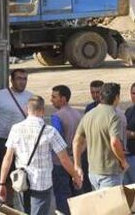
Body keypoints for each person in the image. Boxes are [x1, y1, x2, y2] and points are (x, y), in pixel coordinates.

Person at [0, 95, 82, 215]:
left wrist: (2, 182)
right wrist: (75, 175)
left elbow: (8, 157)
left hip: (21, 181)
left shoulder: (16, 129)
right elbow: (64, 159)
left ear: (27, 109)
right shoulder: (50, 131)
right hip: (42, 183)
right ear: (43, 111)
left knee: (25, 212)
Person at [0, 68, 33, 205]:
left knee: (25, 175)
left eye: (25, 79)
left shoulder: (31, 97)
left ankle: (26, 206)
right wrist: (3, 127)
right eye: (19, 78)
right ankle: (8, 206)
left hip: (24, 143)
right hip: (3, 141)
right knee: (5, 176)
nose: (22, 82)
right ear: (12, 80)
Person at [73, 83, 128, 190]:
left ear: (101, 96)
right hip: (109, 172)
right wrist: (123, 160)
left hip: (93, 171)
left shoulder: (89, 114)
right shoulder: (113, 116)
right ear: (117, 97)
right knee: (111, 206)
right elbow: (114, 142)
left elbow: (76, 141)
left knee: (100, 204)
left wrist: (77, 165)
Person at [50, 85, 82, 215]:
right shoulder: (78, 114)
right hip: (76, 160)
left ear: (63, 99)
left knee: (62, 195)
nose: (51, 100)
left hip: (60, 162)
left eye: (54, 97)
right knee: (76, 194)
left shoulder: (57, 116)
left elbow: (56, 141)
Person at [82, 80, 104, 193]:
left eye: (97, 92)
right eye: (92, 92)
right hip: (90, 149)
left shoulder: (109, 108)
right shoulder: (89, 108)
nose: (95, 95)